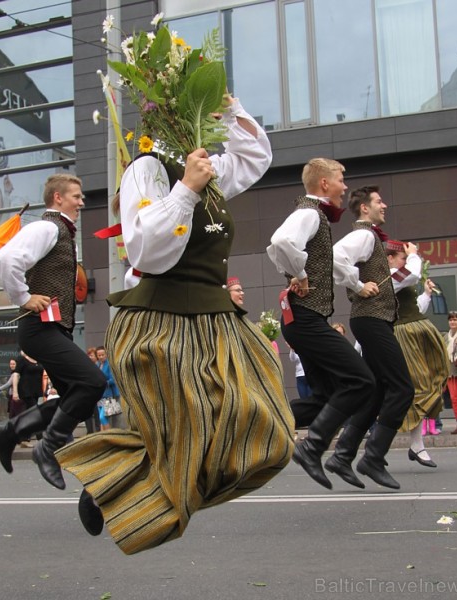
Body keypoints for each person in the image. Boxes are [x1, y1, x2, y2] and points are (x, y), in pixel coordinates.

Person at [55, 95, 294, 555]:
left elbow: (255, 156)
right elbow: (146, 251)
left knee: (274, 441)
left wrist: (231, 107)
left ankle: (122, 485)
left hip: (217, 322)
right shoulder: (147, 169)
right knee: (189, 437)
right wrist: (185, 188)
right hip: (161, 325)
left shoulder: (206, 165)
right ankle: (123, 492)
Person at [0, 173, 107, 488]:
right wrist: (24, 298)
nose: (81, 201)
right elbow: (8, 258)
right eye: (76, 196)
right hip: (40, 329)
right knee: (94, 382)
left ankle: (8, 432)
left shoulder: (62, 232)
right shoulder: (47, 227)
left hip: (54, 330)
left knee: (73, 398)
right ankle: (48, 447)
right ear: (58, 198)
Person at [267, 158, 376, 490]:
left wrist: (357, 287)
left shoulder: (315, 218)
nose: (345, 186)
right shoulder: (309, 213)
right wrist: (298, 273)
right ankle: (312, 448)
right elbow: (281, 243)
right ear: (325, 184)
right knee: (362, 381)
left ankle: (260, 423)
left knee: (323, 397)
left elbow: (329, 265)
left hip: (305, 320)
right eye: (342, 179)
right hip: (305, 320)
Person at [331, 185, 415, 490]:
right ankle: (373, 458)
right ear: (365, 208)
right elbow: (334, 257)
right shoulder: (364, 235)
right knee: (403, 388)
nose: (385, 205)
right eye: (380, 201)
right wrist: (357, 284)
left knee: (379, 390)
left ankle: (343, 454)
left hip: (372, 321)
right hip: (370, 320)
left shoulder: (372, 238)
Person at [386, 240, 449, 467]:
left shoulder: (401, 275)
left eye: (405, 257)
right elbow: (411, 274)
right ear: (390, 258)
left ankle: (413, 444)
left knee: (432, 378)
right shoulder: (389, 276)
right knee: (417, 386)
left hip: (415, 329)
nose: (405, 260)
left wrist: (426, 295)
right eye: (401, 257)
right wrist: (413, 255)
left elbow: (415, 308)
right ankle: (413, 445)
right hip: (404, 335)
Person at [13, 351, 45, 448]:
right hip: (26, 391)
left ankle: (24, 438)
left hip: (36, 391)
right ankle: (41, 439)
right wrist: (15, 391)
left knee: (29, 416)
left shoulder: (38, 360)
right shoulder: (22, 360)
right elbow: (16, 375)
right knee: (36, 414)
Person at [95, 345, 123, 428]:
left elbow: (113, 379)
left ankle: (110, 435)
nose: (100, 357)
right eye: (99, 355)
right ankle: (104, 437)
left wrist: (103, 383)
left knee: (103, 417)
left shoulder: (109, 364)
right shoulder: (98, 364)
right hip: (100, 395)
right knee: (102, 418)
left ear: (106, 354)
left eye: (102, 355)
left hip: (109, 395)